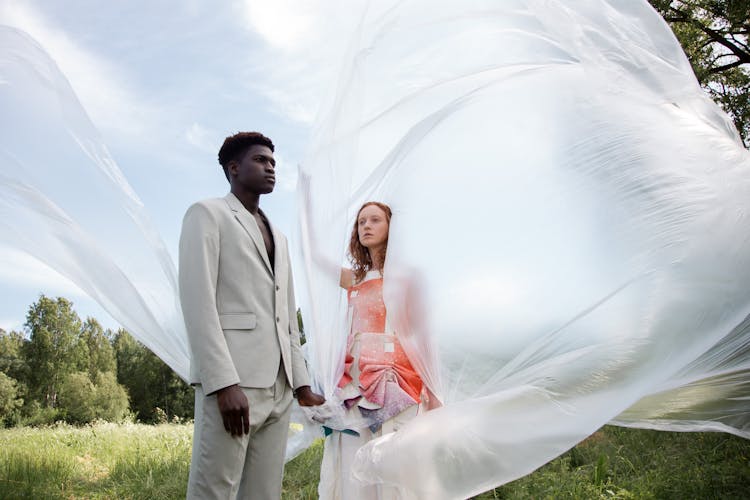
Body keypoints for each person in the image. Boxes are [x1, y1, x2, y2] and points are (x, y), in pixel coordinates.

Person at [179, 131, 324, 499]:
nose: (271, 168)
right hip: (234, 384)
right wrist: (223, 383)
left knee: (264, 492)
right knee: (214, 488)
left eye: (274, 162)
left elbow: (286, 315)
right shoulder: (207, 214)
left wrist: (301, 383)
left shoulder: (280, 236)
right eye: (261, 160)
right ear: (234, 168)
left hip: (279, 388)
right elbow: (198, 303)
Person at [318, 201, 439, 500]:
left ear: (391, 228)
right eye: (361, 222)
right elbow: (314, 259)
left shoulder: (408, 277)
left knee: (394, 459)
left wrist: (435, 391)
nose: (366, 227)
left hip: (396, 379)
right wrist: (308, 204)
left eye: (375, 220)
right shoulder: (354, 280)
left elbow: (423, 334)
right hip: (355, 379)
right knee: (355, 458)